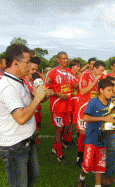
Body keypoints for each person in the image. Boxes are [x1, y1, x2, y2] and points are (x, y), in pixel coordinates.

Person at [0, 44, 49, 186]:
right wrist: (37, 98)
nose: (29, 67)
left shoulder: (19, 81)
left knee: (32, 177)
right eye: (27, 63)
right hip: (15, 147)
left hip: (26, 141)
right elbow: (21, 117)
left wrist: (36, 96)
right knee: (19, 184)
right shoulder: (8, 86)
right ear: (15, 63)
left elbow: (27, 107)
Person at [77, 79, 115, 187]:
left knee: (99, 166)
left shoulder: (111, 103)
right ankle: (81, 177)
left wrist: (112, 127)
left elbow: (112, 119)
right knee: (87, 164)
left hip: (103, 140)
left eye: (111, 90)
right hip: (91, 138)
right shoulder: (93, 101)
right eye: (108, 90)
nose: (111, 93)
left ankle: (98, 185)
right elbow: (86, 117)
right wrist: (103, 119)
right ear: (101, 90)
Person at [45, 51, 78, 164]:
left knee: (66, 127)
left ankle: (55, 147)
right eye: (63, 58)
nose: (65, 60)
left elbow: (75, 85)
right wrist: (58, 94)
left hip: (68, 105)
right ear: (58, 59)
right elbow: (46, 89)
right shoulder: (52, 73)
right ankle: (59, 153)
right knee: (59, 129)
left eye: (66, 58)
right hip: (57, 106)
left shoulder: (70, 72)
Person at [76, 60, 106, 166]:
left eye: (103, 71)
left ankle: (90, 155)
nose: (102, 73)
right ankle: (79, 156)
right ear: (95, 68)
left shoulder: (102, 77)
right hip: (83, 108)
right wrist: (94, 82)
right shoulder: (85, 75)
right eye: (101, 70)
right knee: (83, 133)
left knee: (94, 132)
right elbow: (83, 91)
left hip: (95, 108)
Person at [23, 57, 45, 144]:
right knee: (27, 139)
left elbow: (41, 99)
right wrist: (35, 95)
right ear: (27, 67)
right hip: (27, 113)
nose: (34, 72)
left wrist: (46, 94)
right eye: (32, 69)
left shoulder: (37, 79)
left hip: (37, 111)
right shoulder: (22, 81)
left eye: (36, 69)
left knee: (34, 138)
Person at [64, 59, 81, 147]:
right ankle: (65, 139)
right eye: (77, 66)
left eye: (79, 66)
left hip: (76, 101)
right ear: (72, 66)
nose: (79, 68)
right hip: (68, 100)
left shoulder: (78, 76)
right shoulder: (67, 75)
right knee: (67, 121)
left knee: (72, 121)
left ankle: (69, 139)